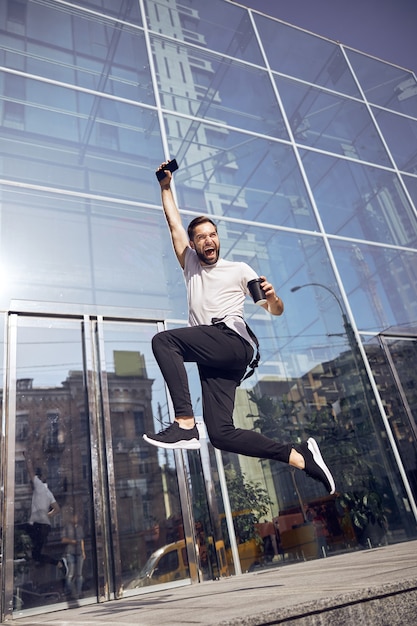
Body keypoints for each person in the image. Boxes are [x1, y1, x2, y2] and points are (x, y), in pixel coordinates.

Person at [143, 161, 335, 495]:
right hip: (213, 357)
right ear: (193, 244)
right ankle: (300, 456)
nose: (208, 241)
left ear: (218, 240)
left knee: (164, 342)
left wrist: (275, 299)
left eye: (212, 235)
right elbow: (173, 223)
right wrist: (164, 187)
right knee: (220, 434)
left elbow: (273, 310)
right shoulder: (189, 264)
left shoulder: (239, 268)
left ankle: (185, 423)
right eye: (201, 237)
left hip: (232, 341)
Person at [23, 452, 68, 575]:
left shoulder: (39, 486)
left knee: (16, 529)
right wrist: (47, 516)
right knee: (36, 555)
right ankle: (58, 563)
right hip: (44, 527)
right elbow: (57, 509)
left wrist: (27, 458)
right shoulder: (47, 492)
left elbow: (31, 472)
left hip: (37, 526)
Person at [61, 510, 86, 598]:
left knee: (79, 574)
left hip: (79, 552)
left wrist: (83, 552)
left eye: (77, 517)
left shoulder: (79, 528)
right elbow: (63, 539)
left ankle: (79, 592)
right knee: (70, 574)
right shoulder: (67, 527)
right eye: (74, 517)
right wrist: (72, 541)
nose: (76, 519)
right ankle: (71, 592)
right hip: (70, 552)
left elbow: (82, 540)